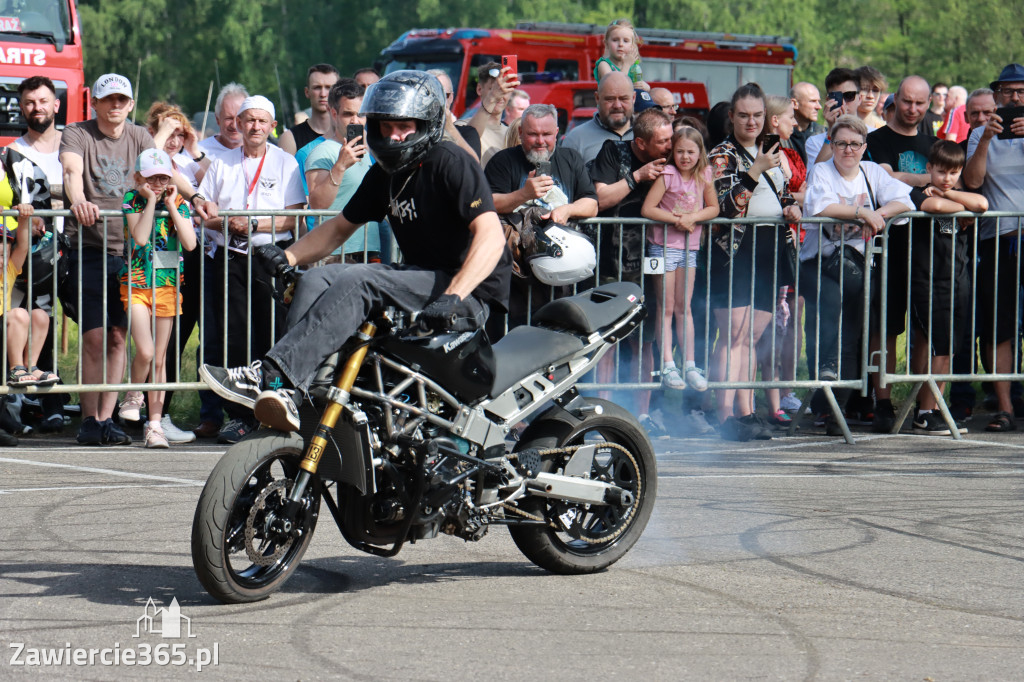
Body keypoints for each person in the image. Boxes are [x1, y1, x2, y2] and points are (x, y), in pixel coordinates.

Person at [199, 70, 511, 433]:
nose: (394, 135)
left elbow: (491, 236)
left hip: (466, 291)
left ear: (426, 124)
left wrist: (455, 295)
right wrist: (289, 257)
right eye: (386, 126)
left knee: (361, 277)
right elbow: (338, 226)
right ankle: (299, 394)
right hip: (423, 278)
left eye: (405, 126)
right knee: (316, 277)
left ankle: (271, 374)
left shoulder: (449, 162)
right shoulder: (385, 172)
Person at [196, 95, 306, 443]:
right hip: (230, 257)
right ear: (238, 124)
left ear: (273, 126)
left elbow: (293, 216)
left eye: (262, 121)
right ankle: (240, 415)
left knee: (271, 335)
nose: (255, 127)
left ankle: (273, 407)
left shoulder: (286, 163)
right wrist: (228, 223)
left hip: (271, 256)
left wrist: (254, 224)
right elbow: (204, 211)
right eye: (249, 120)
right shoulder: (221, 163)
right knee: (234, 336)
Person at [58, 73, 159, 446]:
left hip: (129, 251)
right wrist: (78, 199)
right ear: (95, 103)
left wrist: (195, 197)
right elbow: (71, 170)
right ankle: (88, 419)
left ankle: (107, 417)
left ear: (131, 105)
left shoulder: (140, 137)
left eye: (122, 100)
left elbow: (162, 173)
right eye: (108, 99)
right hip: (88, 247)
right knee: (94, 337)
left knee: (119, 337)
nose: (115, 105)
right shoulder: (78, 133)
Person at [800, 115, 912, 435]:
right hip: (819, 264)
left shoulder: (872, 172)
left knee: (851, 335)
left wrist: (879, 213)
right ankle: (825, 394)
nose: (848, 150)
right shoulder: (822, 171)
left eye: (854, 144)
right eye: (841, 143)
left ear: (864, 146)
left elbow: (903, 200)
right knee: (830, 320)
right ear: (832, 145)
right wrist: (861, 212)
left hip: (857, 267)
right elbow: (819, 207)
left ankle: (838, 410)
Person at [708, 83, 801, 442]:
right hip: (734, 250)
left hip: (769, 247)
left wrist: (792, 205)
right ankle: (725, 415)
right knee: (732, 336)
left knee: (753, 337)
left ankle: (746, 413)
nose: (751, 121)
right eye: (744, 115)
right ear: (731, 117)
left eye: (757, 115)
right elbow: (728, 207)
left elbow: (783, 192)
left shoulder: (773, 149)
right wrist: (756, 169)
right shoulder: (722, 154)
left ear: (766, 117)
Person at [485, 103, 597, 333]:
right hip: (515, 277)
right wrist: (523, 194)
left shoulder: (571, 159)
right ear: (520, 133)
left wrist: (567, 210)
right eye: (533, 134)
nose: (540, 141)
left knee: (561, 335)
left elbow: (592, 204)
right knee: (515, 337)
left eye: (546, 134)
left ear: (557, 132)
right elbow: (489, 203)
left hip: (562, 274)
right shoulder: (503, 161)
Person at [864, 75, 934, 433]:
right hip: (888, 247)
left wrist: (906, 178)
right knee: (886, 327)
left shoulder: (934, 142)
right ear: (895, 100)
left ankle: (926, 407)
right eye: (907, 101)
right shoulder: (875, 141)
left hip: (927, 247)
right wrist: (925, 180)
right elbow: (881, 177)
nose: (913, 109)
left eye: (920, 103)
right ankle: (883, 401)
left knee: (926, 327)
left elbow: (950, 180)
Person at [117, 150, 199, 448]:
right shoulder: (131, 199)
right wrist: (151, 200)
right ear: (139, 178)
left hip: (167, 284)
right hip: (137, 284)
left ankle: (154, 424)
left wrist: (172, 205)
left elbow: (189, 243)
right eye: (152, 178)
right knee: (147, 351)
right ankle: (133, 393)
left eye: (163, 177)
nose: (158, 182)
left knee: (161, 357)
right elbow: (140, 237)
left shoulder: (178, 202)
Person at [905, 140, 986, 435]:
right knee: (934, 345)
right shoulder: (920, 192)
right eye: (941, 173)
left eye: (954, 173)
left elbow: (983, 204)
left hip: (957, 279)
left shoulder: (955, 192)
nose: (947, 178)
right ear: (929, 169)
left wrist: (950, 193)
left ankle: (936, 405)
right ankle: (925, 411)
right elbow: (933, 205)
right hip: (928, 279)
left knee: (949, 348)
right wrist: (954, 202)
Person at [962, 64, 1024, 432]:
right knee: (999, 327)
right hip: (998, 237)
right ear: (997, 94)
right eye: (1008, 92)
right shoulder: (980, 133)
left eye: (1021, 92)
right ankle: (1004, 406)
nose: (1015, 98)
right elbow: (972, 180)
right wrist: (985, 139)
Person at [142, 102, 207, 443]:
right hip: (149, 257)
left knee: (175, 337)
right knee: (153, 342)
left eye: (180, 133)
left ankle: (158, 411)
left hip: (180, 256)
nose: (174, 138)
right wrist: (163, 133)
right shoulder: (149, 157)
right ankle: (146, 406)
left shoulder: (185, 163)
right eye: (169, 131)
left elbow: (207, 180)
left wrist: (195, 148)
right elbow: (154, 162)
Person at [640, 125, 717, 393]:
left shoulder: (705, 175)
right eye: (680, 151)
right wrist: (676, 220)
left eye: (691, 152)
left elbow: (713, 207)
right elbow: (648, 208)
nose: (685, 157)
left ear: (699, 153)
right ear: (673, 152)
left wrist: (693, 218)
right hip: (661, 247)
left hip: (689, 249)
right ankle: (668, 363)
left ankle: (691, 364)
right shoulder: (668, 175)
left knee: (685, 307)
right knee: (666, 307)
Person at [8, 76, 65, 432]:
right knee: (24, 319)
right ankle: (17, 406)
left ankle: (60, 404)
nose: (36, 107)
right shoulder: (12, 153)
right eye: (29, 102)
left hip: (76, 246)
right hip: (30, 252)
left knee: (98, 328)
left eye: (42, 101)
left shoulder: (73, 145)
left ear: (56, 104)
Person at [304, 80, 381, 263]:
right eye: (348, 114)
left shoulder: (368, 151)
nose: (355, 120)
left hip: (367, 250)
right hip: (335, 253)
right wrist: (340, 166)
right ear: (333, 113)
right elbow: (317, 204)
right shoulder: (323, 151)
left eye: (360, 114)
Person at [3, 203, 55, 389]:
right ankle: (15, 368)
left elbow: (23, 246)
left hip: (5, 325)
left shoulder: (8, 270)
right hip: (9, 321)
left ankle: (29, 366)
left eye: (4, 254)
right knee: (19, 314)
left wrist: (24, 218)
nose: (1, 259)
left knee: (40, 315)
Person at [563, 72, 635, 162]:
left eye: (623, 99)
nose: (617, 105)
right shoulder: (576, 140)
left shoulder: (649, 134)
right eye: (610, 99)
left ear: (633, 98)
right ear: (597, 98)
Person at [805, 69, 862, 180]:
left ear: (859, 99)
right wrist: (832, 130)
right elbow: (815, 178)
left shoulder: (875, 135)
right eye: (838, 98)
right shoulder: (815, 142)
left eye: (849, 96)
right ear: (828, 100)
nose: (844, 103)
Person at [464, 63, 519, 167]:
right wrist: (492, 97)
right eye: (493, 89)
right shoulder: (461, 127)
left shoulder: (512, 133)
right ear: (479, 89)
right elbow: (469, 137)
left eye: (505, 89)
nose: (500, 95)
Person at [279, 64, 340, 155]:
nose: (323, 94)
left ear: (338, 92)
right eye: (317, 88)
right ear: (307, 92)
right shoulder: (290, 138)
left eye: (329, 88)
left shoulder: (349, 133)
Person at [425, 69, 481, 161]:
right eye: (431, 95)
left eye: (443, 95)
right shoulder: (412, 130)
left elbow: (473, 165)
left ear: (451, 97)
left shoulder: (467, 133)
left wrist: (449, 127)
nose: (438, 101)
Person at [197, 83, 249, 161]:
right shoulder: (198, 152)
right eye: (229, 118)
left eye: (239, 118)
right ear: (218, 119)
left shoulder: (265, 153)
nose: (234, 125)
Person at [593, 19, 649, 91]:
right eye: (615, 40)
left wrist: (646, 87)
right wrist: (626, 65)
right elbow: (616, 87)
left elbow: (637, 87)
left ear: (632, 46)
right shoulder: (604, 65)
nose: (620, 44)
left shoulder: (633, 67)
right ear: (606, 44)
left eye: (625, 41)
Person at [787, 82, 824, 165]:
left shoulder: (822, 133)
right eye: (813, 101)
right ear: (794, 103)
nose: (819, 107)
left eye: (818, 101)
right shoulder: (781, 137)